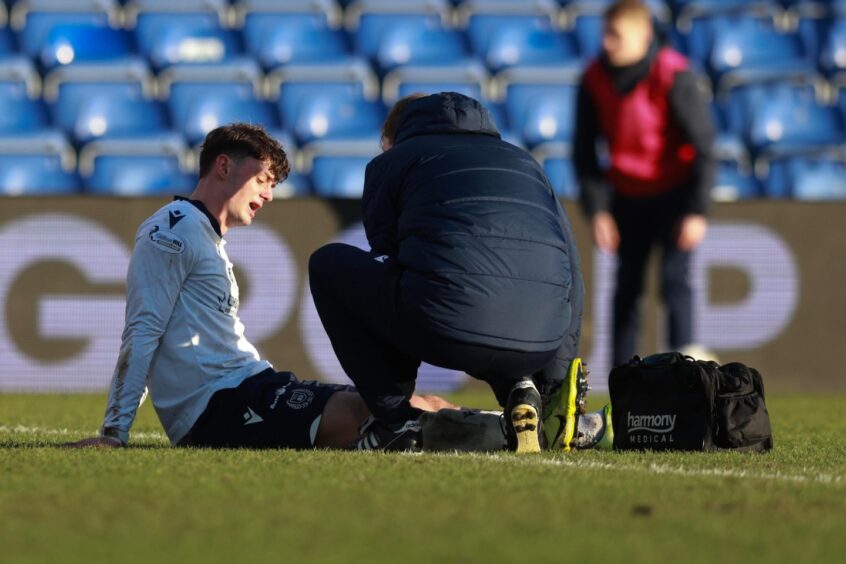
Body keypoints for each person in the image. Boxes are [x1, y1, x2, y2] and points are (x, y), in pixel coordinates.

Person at [66, 123, 454, 451]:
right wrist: (114, 433)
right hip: (219, 407)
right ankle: (496, 434)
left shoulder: (204, 236)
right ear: (223, 167)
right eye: (262, 179)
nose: (268, 194)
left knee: (400, 406)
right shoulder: (173, 228)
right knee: (378, 417)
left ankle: (505, 426)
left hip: (250, 388)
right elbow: (143, 329)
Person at [308, 92, 588, 454]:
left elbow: (388, 254)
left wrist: (395, 391)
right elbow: (573, 274)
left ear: (391, 138)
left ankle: (396, 422)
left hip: (444, 326)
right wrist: (554, 381)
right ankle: (522, 389)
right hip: (540, 342)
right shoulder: (527, 163)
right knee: (498, 291)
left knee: (329, 264)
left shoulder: (394, 161)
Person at [574, 0, 716, 368]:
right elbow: (583, 151)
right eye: (605, 34)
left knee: (675, 282)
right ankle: (624, 380)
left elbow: (704, 145)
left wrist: (697, 211)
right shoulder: (592, 78)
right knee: (626, 290)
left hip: (675, 193)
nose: (607, 43)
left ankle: (686, 374)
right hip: (626, 197)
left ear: (643, 36)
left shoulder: (673, 75)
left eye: (615, 35)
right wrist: (598, 210)